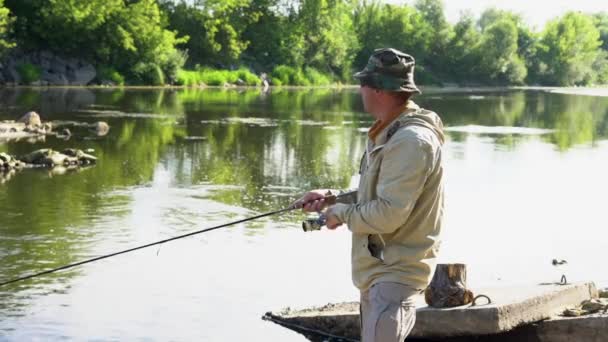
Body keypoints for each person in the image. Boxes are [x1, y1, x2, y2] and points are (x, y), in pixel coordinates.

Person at [292, 48, 445, 342]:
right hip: (380, 273)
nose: (360, 88)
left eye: (364, 82)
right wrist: (332, 198)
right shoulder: (391, 131)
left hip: (394, 276)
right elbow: (381, 193)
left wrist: (340, 214)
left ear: (378, 90)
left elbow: (388, 214)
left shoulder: (409, 141)